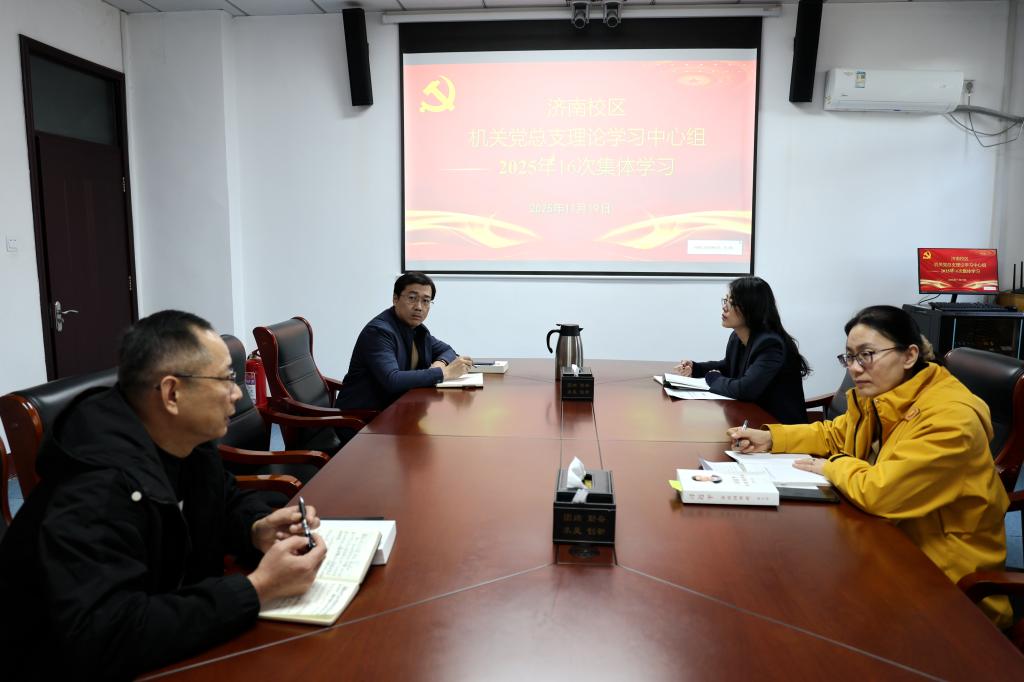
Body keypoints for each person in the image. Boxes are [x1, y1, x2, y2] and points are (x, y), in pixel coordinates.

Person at [0, 310, 328, 679]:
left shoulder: (185, 439)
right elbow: (108, 635)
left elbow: (223, 499)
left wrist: (256, 528)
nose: (238, 394)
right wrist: (256, 589)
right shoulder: (95, 487)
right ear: (172, 393)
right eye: (226, 379)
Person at [727, 305, 1011, 628]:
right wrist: (771, 439)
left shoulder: (950, 418)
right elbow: (836, 433)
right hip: (888, 545)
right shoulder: (884, 394)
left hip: (947, 587)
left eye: (866, 355)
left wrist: (833, 465)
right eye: (849, 357)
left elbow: (881, 491)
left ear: (909, 355)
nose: (855, 368)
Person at [673, 276, 810, 424]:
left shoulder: (770, 344)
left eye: (731, 303)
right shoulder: (737, 337)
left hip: (779, 428)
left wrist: (714, 379)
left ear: (750, 308)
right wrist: (696, 368)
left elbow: (745, 390)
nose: (724, 307)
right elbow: (728, 366)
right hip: (752, 419)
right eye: (725, 301)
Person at [336, 271, 474, 415]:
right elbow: (392, 380)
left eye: (426, 301)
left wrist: (440, 363)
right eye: (412, 298)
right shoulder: (379, 332)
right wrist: (444, 373)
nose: (419, 307)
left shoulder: (418, 330)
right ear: (395, 299)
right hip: (363, 418)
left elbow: (448, 350)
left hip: (398, 410)